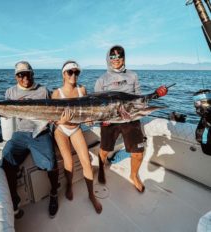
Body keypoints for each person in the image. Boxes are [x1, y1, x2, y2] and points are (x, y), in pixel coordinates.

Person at [0, 61, 59, 218]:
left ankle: (53, 193)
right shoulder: (10, 92)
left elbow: (56, 108)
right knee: (6, 158)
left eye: (27, 74)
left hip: (41, 132)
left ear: (33, 73)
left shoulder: (43, 90)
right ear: (16, 77)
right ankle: (14, 201)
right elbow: (6, 112)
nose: (25, 78)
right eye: (21, 75)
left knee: (51, 163)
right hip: (20, 134)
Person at [94, 45, 167, 192]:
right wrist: (103, 119)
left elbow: (138, 98)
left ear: (124, 58)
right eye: (113, 56)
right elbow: (97, 105)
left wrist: (155, 94)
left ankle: (134, 175)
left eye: (119, 56)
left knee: (138, 153)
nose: (116, 59)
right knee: (104, 150)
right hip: (110, 120)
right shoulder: (101, 79)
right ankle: (101, 169)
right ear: (108, 59)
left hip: (131, 119)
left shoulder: (133, 75)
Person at [52, 60, 102, 214]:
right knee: (69, 162)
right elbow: (53, 119)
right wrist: (63, 121)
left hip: (76, 128)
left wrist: (88, 118)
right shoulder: (56, 93)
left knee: (87, 162)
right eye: (70, 72)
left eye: (77, 72)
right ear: (64, 74)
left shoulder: (82, 90)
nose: (74, 75)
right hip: (61, 129)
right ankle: (69, 185)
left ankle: (91, 195)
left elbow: (86, 112)